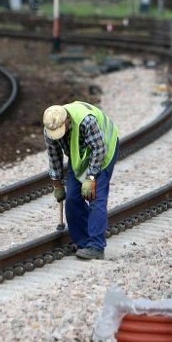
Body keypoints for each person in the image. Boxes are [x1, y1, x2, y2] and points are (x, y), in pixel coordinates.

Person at [43, 102, 120, 260]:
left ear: (67, 121)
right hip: (80, 153)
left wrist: (91, 177)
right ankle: (84, 242)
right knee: (72, 199)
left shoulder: (87, 121)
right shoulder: (50, 128)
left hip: (104, 148)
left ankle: (96, 247)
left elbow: (99, 149)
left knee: (95, 196)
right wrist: (57, 184)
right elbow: (54, 156)